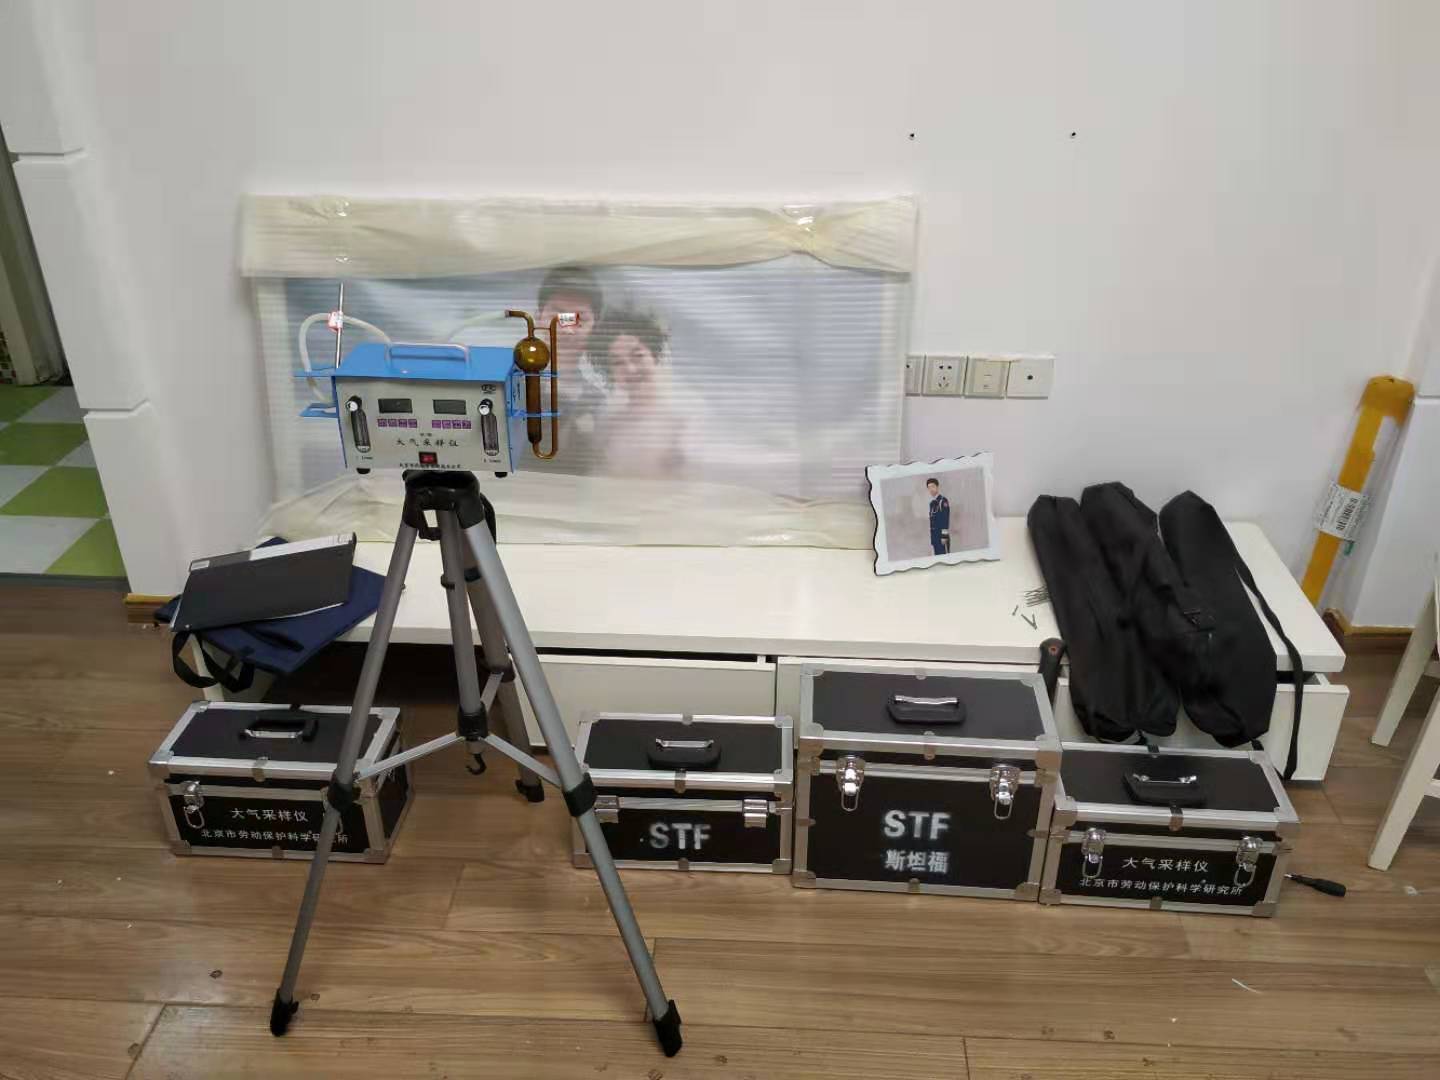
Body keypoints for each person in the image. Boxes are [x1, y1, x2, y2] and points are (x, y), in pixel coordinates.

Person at [585, 311, 685, 476]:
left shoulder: (681, 423)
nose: (630, 369)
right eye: (618, 363)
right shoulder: (607, 425)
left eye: (638, 356)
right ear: (610, 373)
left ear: (655, 355)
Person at [927, 477, 951, 555]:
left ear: (937, 487)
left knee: (945, 557)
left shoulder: (943, 501)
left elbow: (945, 518)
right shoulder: (931, 504)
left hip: (942, 537)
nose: (931, 489)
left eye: (933, 486)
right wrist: (932, 539)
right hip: (935, 537)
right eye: (929, 487)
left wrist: (944, 536)